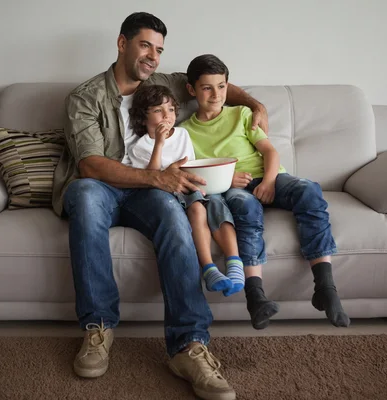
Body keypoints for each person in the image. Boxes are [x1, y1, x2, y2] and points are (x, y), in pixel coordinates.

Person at [52, 12, 269, 400]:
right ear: (122, 44)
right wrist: (157, 178)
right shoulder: (84, 97)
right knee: (84, 194)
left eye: (159, 49)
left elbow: (213, 87)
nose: (152, 55)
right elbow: (90, 164)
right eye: (145, 45)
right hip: (101, 187)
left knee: (173, 212)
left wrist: (255, 105)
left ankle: (189, 345)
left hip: (149, 195)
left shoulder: (163, 83)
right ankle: (98, 328)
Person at [181, 54, 351, 328]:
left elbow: (270, 152)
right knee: (244, 208)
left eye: (221, 86)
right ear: (192, 90)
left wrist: (269, 182)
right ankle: (255, 296)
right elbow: (192, 173)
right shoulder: (185, 132)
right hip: (233, 189)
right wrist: (225, 178)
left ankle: (325, 287)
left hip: (269, 177)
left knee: (309, 190)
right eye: (207, 88)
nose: (216, 95)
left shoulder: (242, 114)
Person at [128, 84, 243, 294]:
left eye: (171, 109)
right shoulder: (140, 146)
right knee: (198, 208)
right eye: (158, 110)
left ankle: (235, 265)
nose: (167, 116)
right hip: (166, 194)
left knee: (216, 204)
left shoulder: (182, 135)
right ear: (143, 118)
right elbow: (150, 177)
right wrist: (159, 144)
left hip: (191, 186)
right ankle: (209, 268)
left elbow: (190, 164)